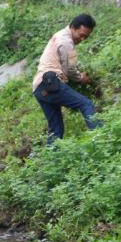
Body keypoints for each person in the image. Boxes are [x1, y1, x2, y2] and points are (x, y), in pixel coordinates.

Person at [32, 14, 101, 144]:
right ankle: (102, 139)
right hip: (51, 83)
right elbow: (70, 70)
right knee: (86, 104)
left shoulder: (60, 35)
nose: (83, 39)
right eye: (81, 34)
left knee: (56, 129)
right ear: (73, 28)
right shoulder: (67, 43)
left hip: (39, 87)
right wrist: (81, 78)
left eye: (86, 36)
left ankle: (52, 160)